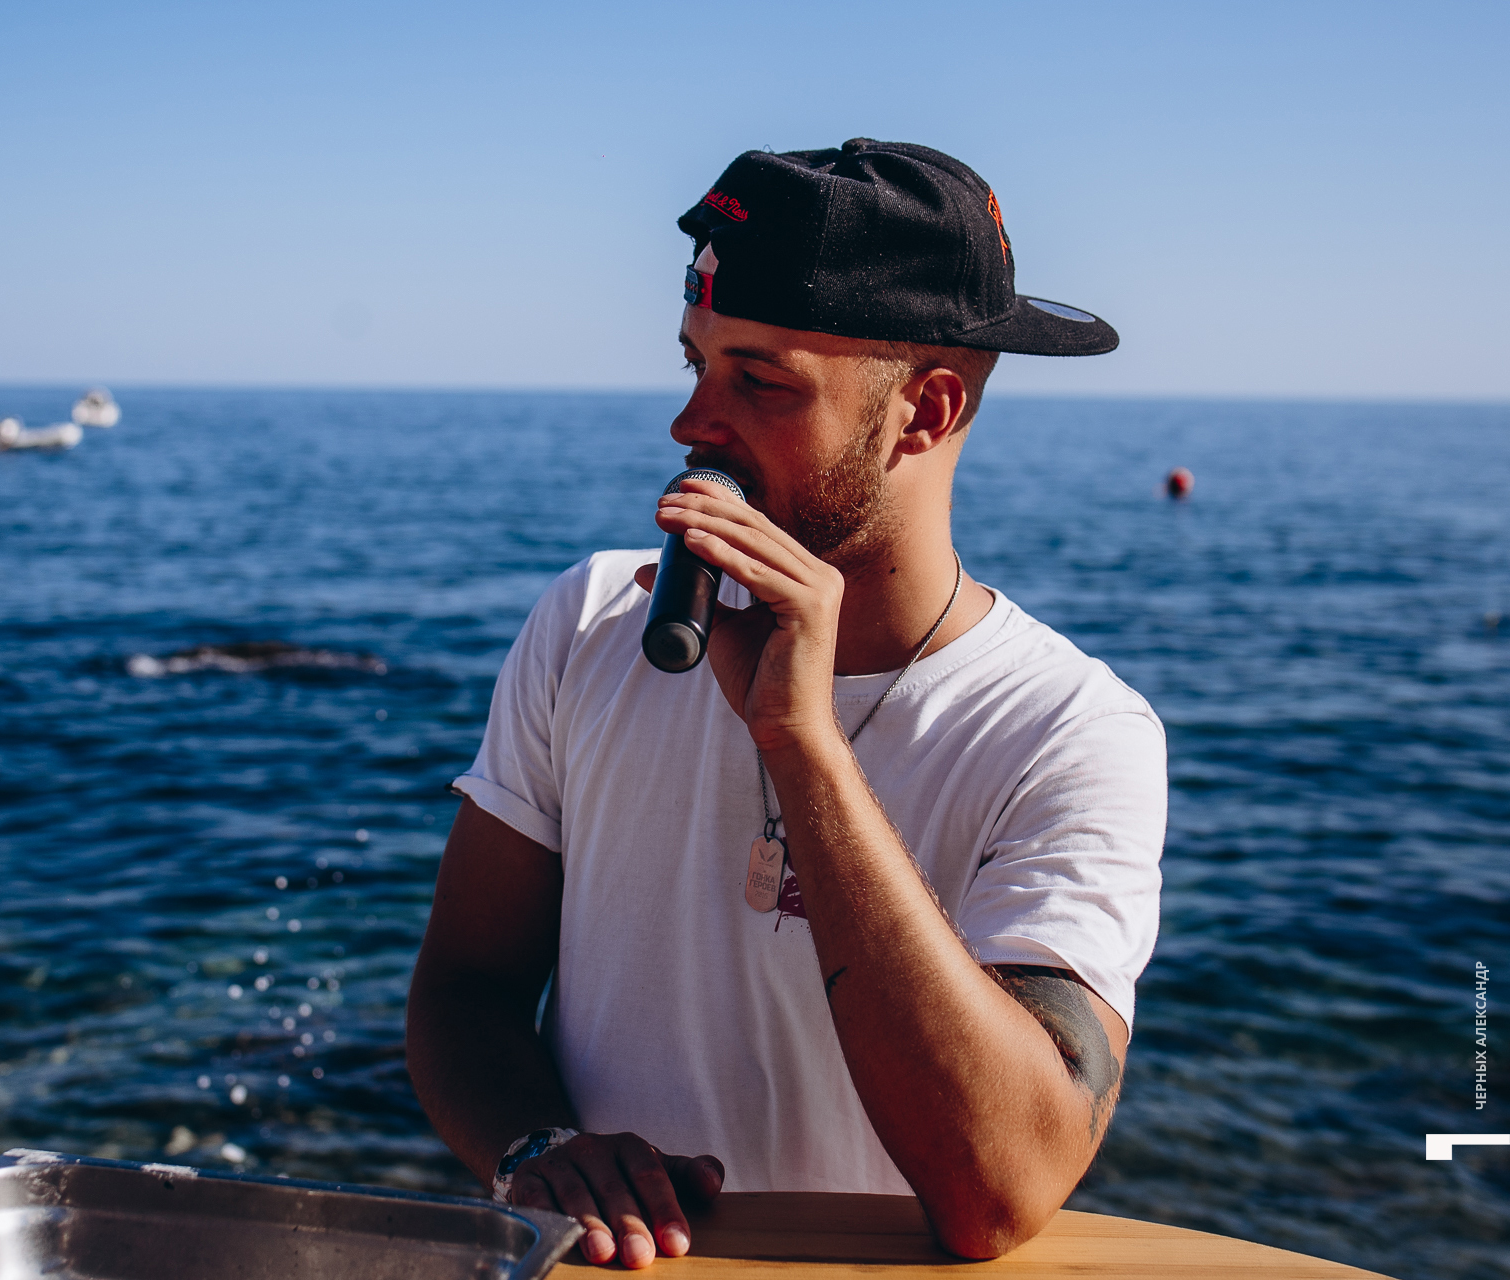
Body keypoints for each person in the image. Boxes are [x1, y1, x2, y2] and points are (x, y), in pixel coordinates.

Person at [405, 138, 1166, 1267]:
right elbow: (466, 987)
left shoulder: (1070, 731)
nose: (691, 424)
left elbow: (1001, 1190)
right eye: (695, 363)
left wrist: (802, 742)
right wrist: (538, 1145)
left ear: (924, 411)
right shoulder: (592, 621)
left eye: (759, 381)